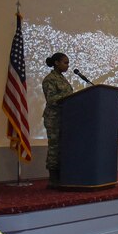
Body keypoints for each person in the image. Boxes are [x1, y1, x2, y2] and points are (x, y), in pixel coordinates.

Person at [43, 52, 73, 186]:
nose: (67, 65)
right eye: (65, 62)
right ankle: (53, 177)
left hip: (65, 117)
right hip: (53, 118)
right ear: (56, 63)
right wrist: (68, 98)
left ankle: (63, 173)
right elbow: (51, 99)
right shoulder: (50, 79)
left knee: (63, 146)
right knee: (54, 146)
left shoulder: (62, 78)